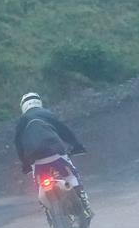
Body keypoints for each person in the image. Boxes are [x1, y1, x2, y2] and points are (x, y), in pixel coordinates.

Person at [14, 92, 93, 221]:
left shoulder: (21, 122)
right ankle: (84, 204)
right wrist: (77, 146)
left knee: (39, 185)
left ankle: (49, 216)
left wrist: (25, 165)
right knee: (71, 175)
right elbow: (64, 131)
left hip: (35, 159)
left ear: (23, 106)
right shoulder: (47, 114)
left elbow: (19, 144)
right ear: (39, 102)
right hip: (55, 153)